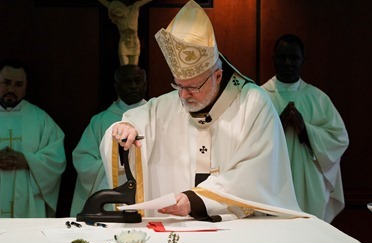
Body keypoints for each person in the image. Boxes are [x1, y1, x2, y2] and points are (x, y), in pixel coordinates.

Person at [100, 0, 306, 222]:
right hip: (177, 228)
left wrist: (199, 199)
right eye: (178, 85)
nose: (183, 95)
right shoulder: (168, 104)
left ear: (217, 76)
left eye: (192, 87)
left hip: (236, 229)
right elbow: (137, 121)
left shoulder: (253, 104)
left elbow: (260, 174)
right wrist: (124, 129)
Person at [261, 34, 349, 223]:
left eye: (293, 58)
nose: (287, 63)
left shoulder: (318, 98)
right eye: (282, 57)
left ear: (303, 60)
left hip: (309, 183)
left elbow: (340, 139)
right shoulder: (260, 97)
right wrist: (279, 124)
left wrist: (306, 131)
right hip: (272, 183)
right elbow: (246, 140)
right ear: (273, 59)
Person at [70, 64, 147, 217]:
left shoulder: (156, 116)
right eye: (127, 82)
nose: (133, 86)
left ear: (146, 83)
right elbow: (82, 158)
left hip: (147, 187)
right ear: (116, 86)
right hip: (109, 194)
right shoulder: (99, 121)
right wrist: (111, 168)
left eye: (138, 81)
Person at [0, 59, 66, 218]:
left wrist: (28, 161)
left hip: (26, 202)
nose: (11, 89)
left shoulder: (40, 119)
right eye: (6, 83)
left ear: (26, 87)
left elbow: (56, 160)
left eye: (18, 85)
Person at [98, 0, 153, 65]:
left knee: (133, 70)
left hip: (134, 45)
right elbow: (106, 3)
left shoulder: (134, 9)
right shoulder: (118, 17)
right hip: (123, 45)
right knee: (124, 71)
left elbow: (145, 1)